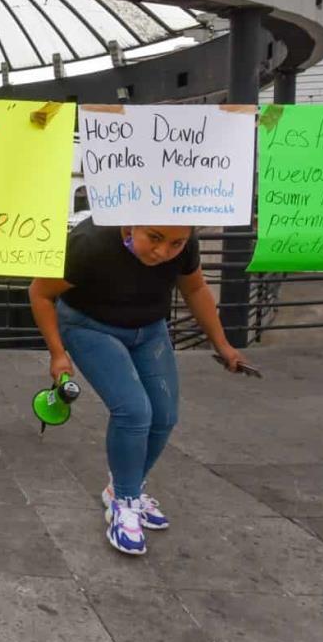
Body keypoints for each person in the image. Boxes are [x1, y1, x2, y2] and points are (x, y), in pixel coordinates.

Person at [28, 219, 245, 557]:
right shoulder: (91, 242)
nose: (163, 252)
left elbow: (195, 288)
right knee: (133, 410)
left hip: (149, 328)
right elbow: (40, 292)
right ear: (131, 226)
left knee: (165, 414)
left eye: (176, 244)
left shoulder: (184, 243)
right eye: (154, 238)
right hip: (89, 325)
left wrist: (223, 345)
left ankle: (123, 489)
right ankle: (124, 502)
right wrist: (58, 354)